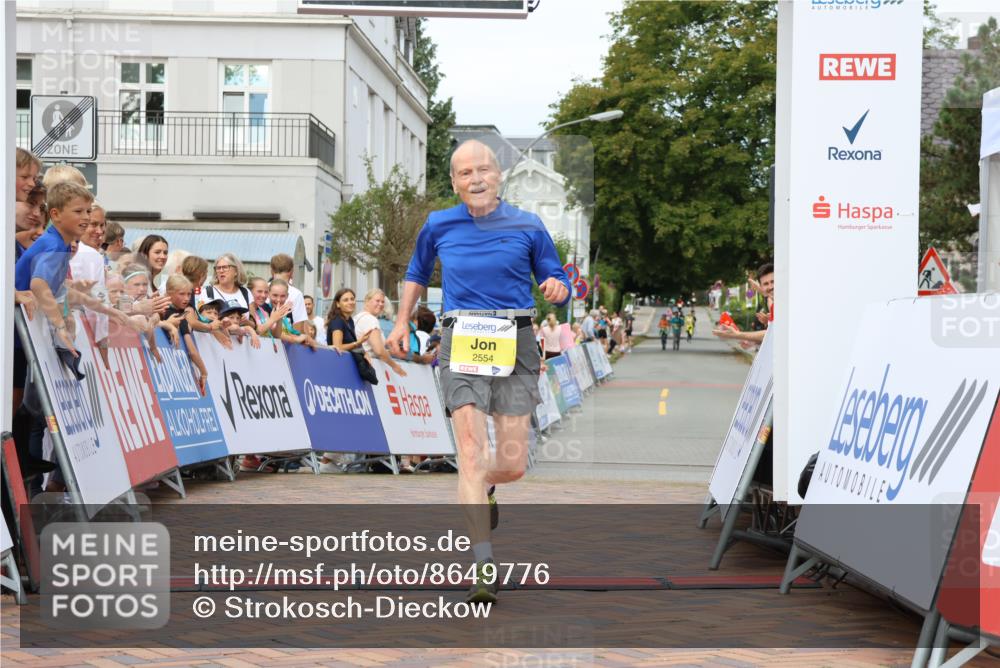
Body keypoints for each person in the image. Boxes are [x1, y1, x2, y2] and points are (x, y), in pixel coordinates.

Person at [385, 139, 570, 604]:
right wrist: (403, 320)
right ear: (454, 182)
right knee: (470, 451)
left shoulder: (528, 225)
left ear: (499, 174)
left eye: (482, 169)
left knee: (508, 463)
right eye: (465, 173)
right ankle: (482, 563)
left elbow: (560, 281)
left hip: (517, 338)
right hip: (460, 339)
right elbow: (416, 273)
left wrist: (556, 288)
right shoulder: (438, 224)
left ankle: (487, 487)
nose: (475, 179)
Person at [713, 262, 774, 346]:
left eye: (773, 282)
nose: (770, 286)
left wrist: (738, 335)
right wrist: (753, 341)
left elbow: (775, 333)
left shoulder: (785, 303)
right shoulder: (773, 303)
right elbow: (774, 334)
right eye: (766, 283)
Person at [354, 288, 406, 375]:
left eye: (382, 302)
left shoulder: (358, 317)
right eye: (377, 301)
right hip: (368, 367)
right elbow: (379, 351)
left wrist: (389, 352)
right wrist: (395, 366)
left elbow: (371, 348)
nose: (381, 304)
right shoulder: (370, 320)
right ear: (367, 301)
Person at [268, 253, 310, 332]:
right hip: (287, 342)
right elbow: (298, 329)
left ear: (271, 270)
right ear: (292, 271)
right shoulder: (297, 294)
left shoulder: (262, 290)